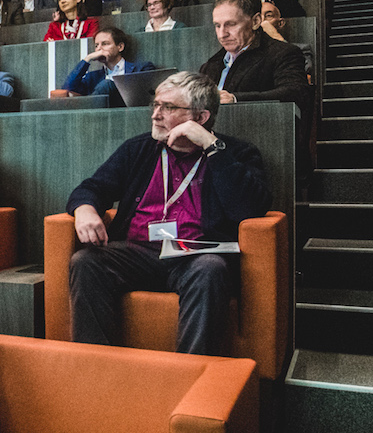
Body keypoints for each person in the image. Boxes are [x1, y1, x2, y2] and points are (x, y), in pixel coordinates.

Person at [65, 72, 269, 357]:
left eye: (169, 108)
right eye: (155, 105)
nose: (156, 115)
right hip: (139, 252)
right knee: (85, 261)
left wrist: (212, 148)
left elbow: (248, 209)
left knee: (211, 269)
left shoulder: (236, 153)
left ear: (200, 118)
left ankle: (192, 374)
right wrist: (85, 209)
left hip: (194, 256)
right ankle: (96, 366)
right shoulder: (139, 149)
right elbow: (92, 187)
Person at [200, 0, 311, 116]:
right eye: (217, 25)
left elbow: (294, 93)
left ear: (256, 21)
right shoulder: (209, 65)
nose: (222, 34)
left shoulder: (283, 53)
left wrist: (235, 100)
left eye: (230, 24)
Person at [60, 27, 155, 98]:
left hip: (128, 116)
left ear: (120, 47)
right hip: (101, 116)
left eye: (105, 44)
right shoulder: (92, 77)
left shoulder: (142, 68)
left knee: (107, 84)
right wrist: (87, 59)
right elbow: (68, 88)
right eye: (96, 45)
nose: (99, 49)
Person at [260, 1, 314, 78]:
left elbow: (301, 74)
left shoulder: (302, 49)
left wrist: (276, 37)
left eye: (268, 16)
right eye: (258, 16)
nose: (262, 21)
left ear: (280, 23)